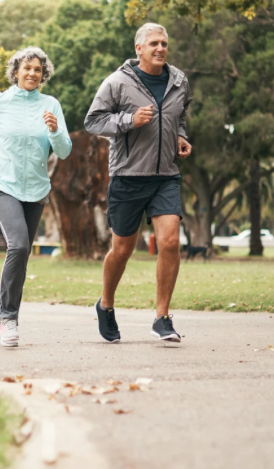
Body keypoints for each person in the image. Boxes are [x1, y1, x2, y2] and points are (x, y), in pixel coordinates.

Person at [84, 23, 193, 343]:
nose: (160, 48)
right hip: (128, 176)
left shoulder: (179, 81)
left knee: (170, 241)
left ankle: (162, 317)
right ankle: (105, 305)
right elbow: (94, 120)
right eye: (154, 44)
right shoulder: (117, 83)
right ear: (139, 49)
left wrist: (181, 135)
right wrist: (129, 121)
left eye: (164, 43)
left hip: (165, 176)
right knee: (122, 249)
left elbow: (180, 113)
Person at [0, 47, 73, 347]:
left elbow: (63, 150)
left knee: (21, 255)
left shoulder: (50, 105)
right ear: (16, 72)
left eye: (38, 69)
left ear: (43, 74)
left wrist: (54, 131)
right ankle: (7, 317)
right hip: (2, 185)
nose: (32, 73)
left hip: (36, 190)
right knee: (19, 245)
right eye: (27, 68)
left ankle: (5, 313)